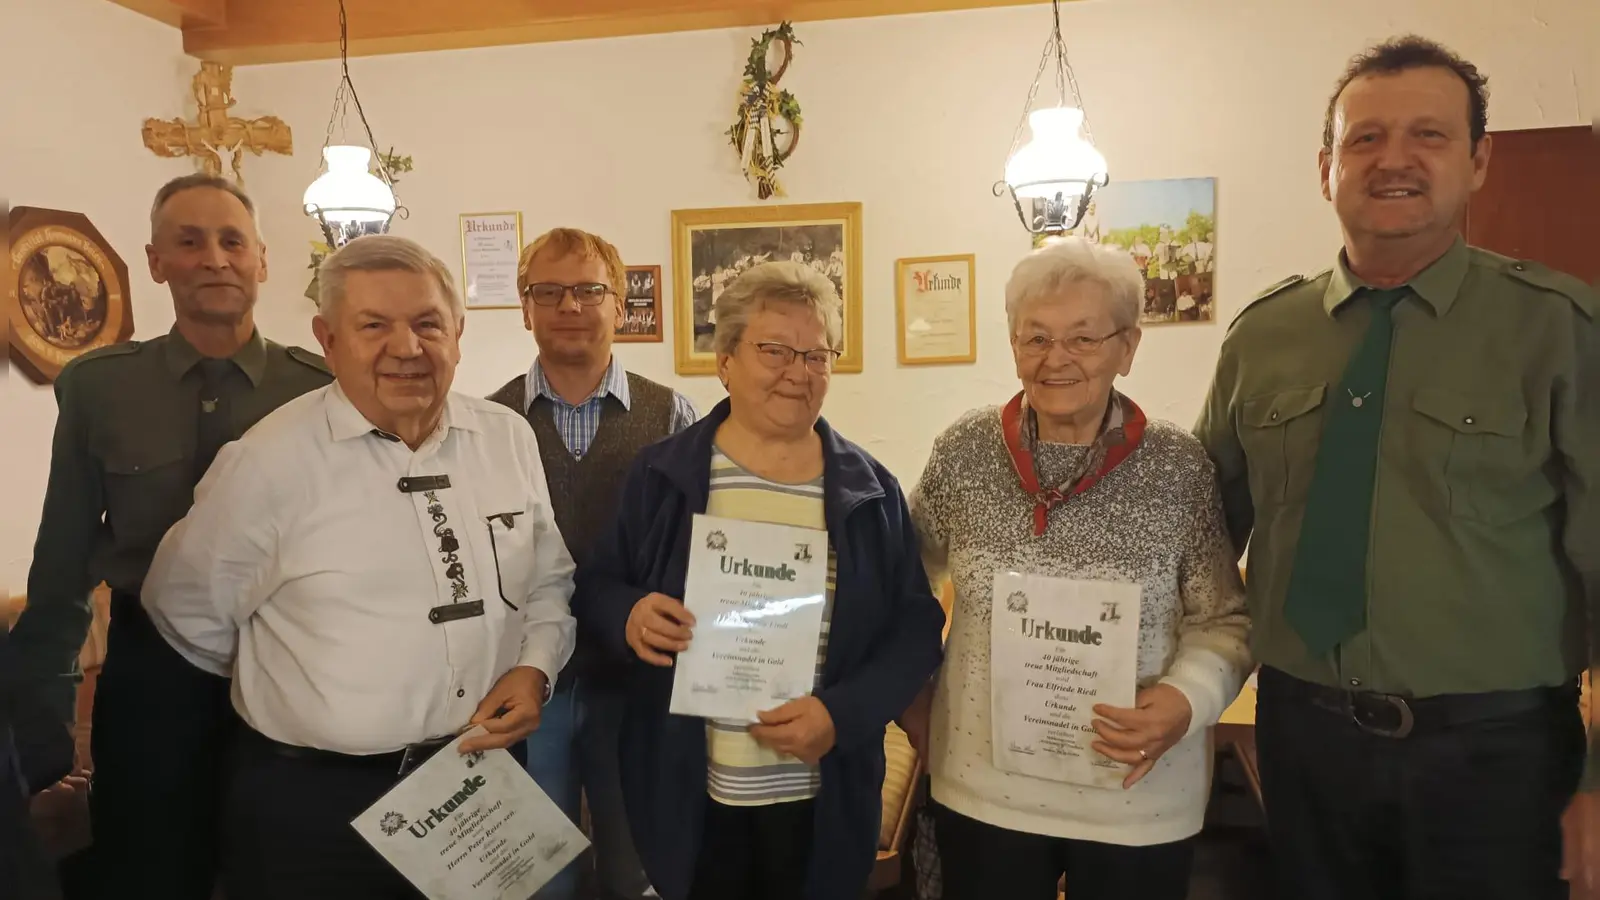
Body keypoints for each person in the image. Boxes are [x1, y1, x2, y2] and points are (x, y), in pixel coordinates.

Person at [1195, 35, 1598, 900]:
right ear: (1325, 165)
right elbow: (1196, 542)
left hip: (1499, 753)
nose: (1394, 160)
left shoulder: (1559, 331)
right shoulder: (1262, 338)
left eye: (1430, 135)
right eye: (1365, 138)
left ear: (1480, 160)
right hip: (1305, 739)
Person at [140, 235, 578, 900]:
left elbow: (548, 580)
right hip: (318, 811)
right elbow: (188, 617)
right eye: (373, 325)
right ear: (329, 338)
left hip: (478, 788)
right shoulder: (267, 464)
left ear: (458, 334)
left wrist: (534, 667)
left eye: (428, 323)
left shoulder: (506, 438)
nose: (406, 347)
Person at [574, 261, 945, 900]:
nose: (797, 371)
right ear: (725, 360)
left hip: (822, 788)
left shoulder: (870, 489)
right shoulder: (662, 476)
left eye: (816, 354)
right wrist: (631, 613)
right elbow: (596, 587)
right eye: (774, 349)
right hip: (689, 783)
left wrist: (841, 713)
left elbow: (914, 629)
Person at [8, 173, 332, 898]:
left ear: (262, 260)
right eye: (189, 241)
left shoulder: (319, 387)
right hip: (149, 676)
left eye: (231, 241)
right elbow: (61, 562)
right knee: (147, 868)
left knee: (278, 869)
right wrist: (40, 715)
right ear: (155, 262)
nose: (214, 257)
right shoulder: (99, 387)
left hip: (287, 667)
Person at [898, 237, 1250, 900]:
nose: (1055, 359)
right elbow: (902, 583)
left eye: (1084, 338)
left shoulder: (1178, 467)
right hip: (984, 790)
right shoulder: (967, 453)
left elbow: (1224, 617)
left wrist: (1184, 701)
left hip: (1133, 799)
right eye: (1034, 337)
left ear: (1128, 346)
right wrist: (916, 699)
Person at [489, 227, 696, 900]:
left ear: (621, 304)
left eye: (588, 290)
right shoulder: (486, 424)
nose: (569, 306)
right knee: (536, 874)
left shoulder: (673, 416)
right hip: (526, 685)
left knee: (636, 868)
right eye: (547, 291)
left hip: (637, 684)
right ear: (525, 309)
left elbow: (697, 544)